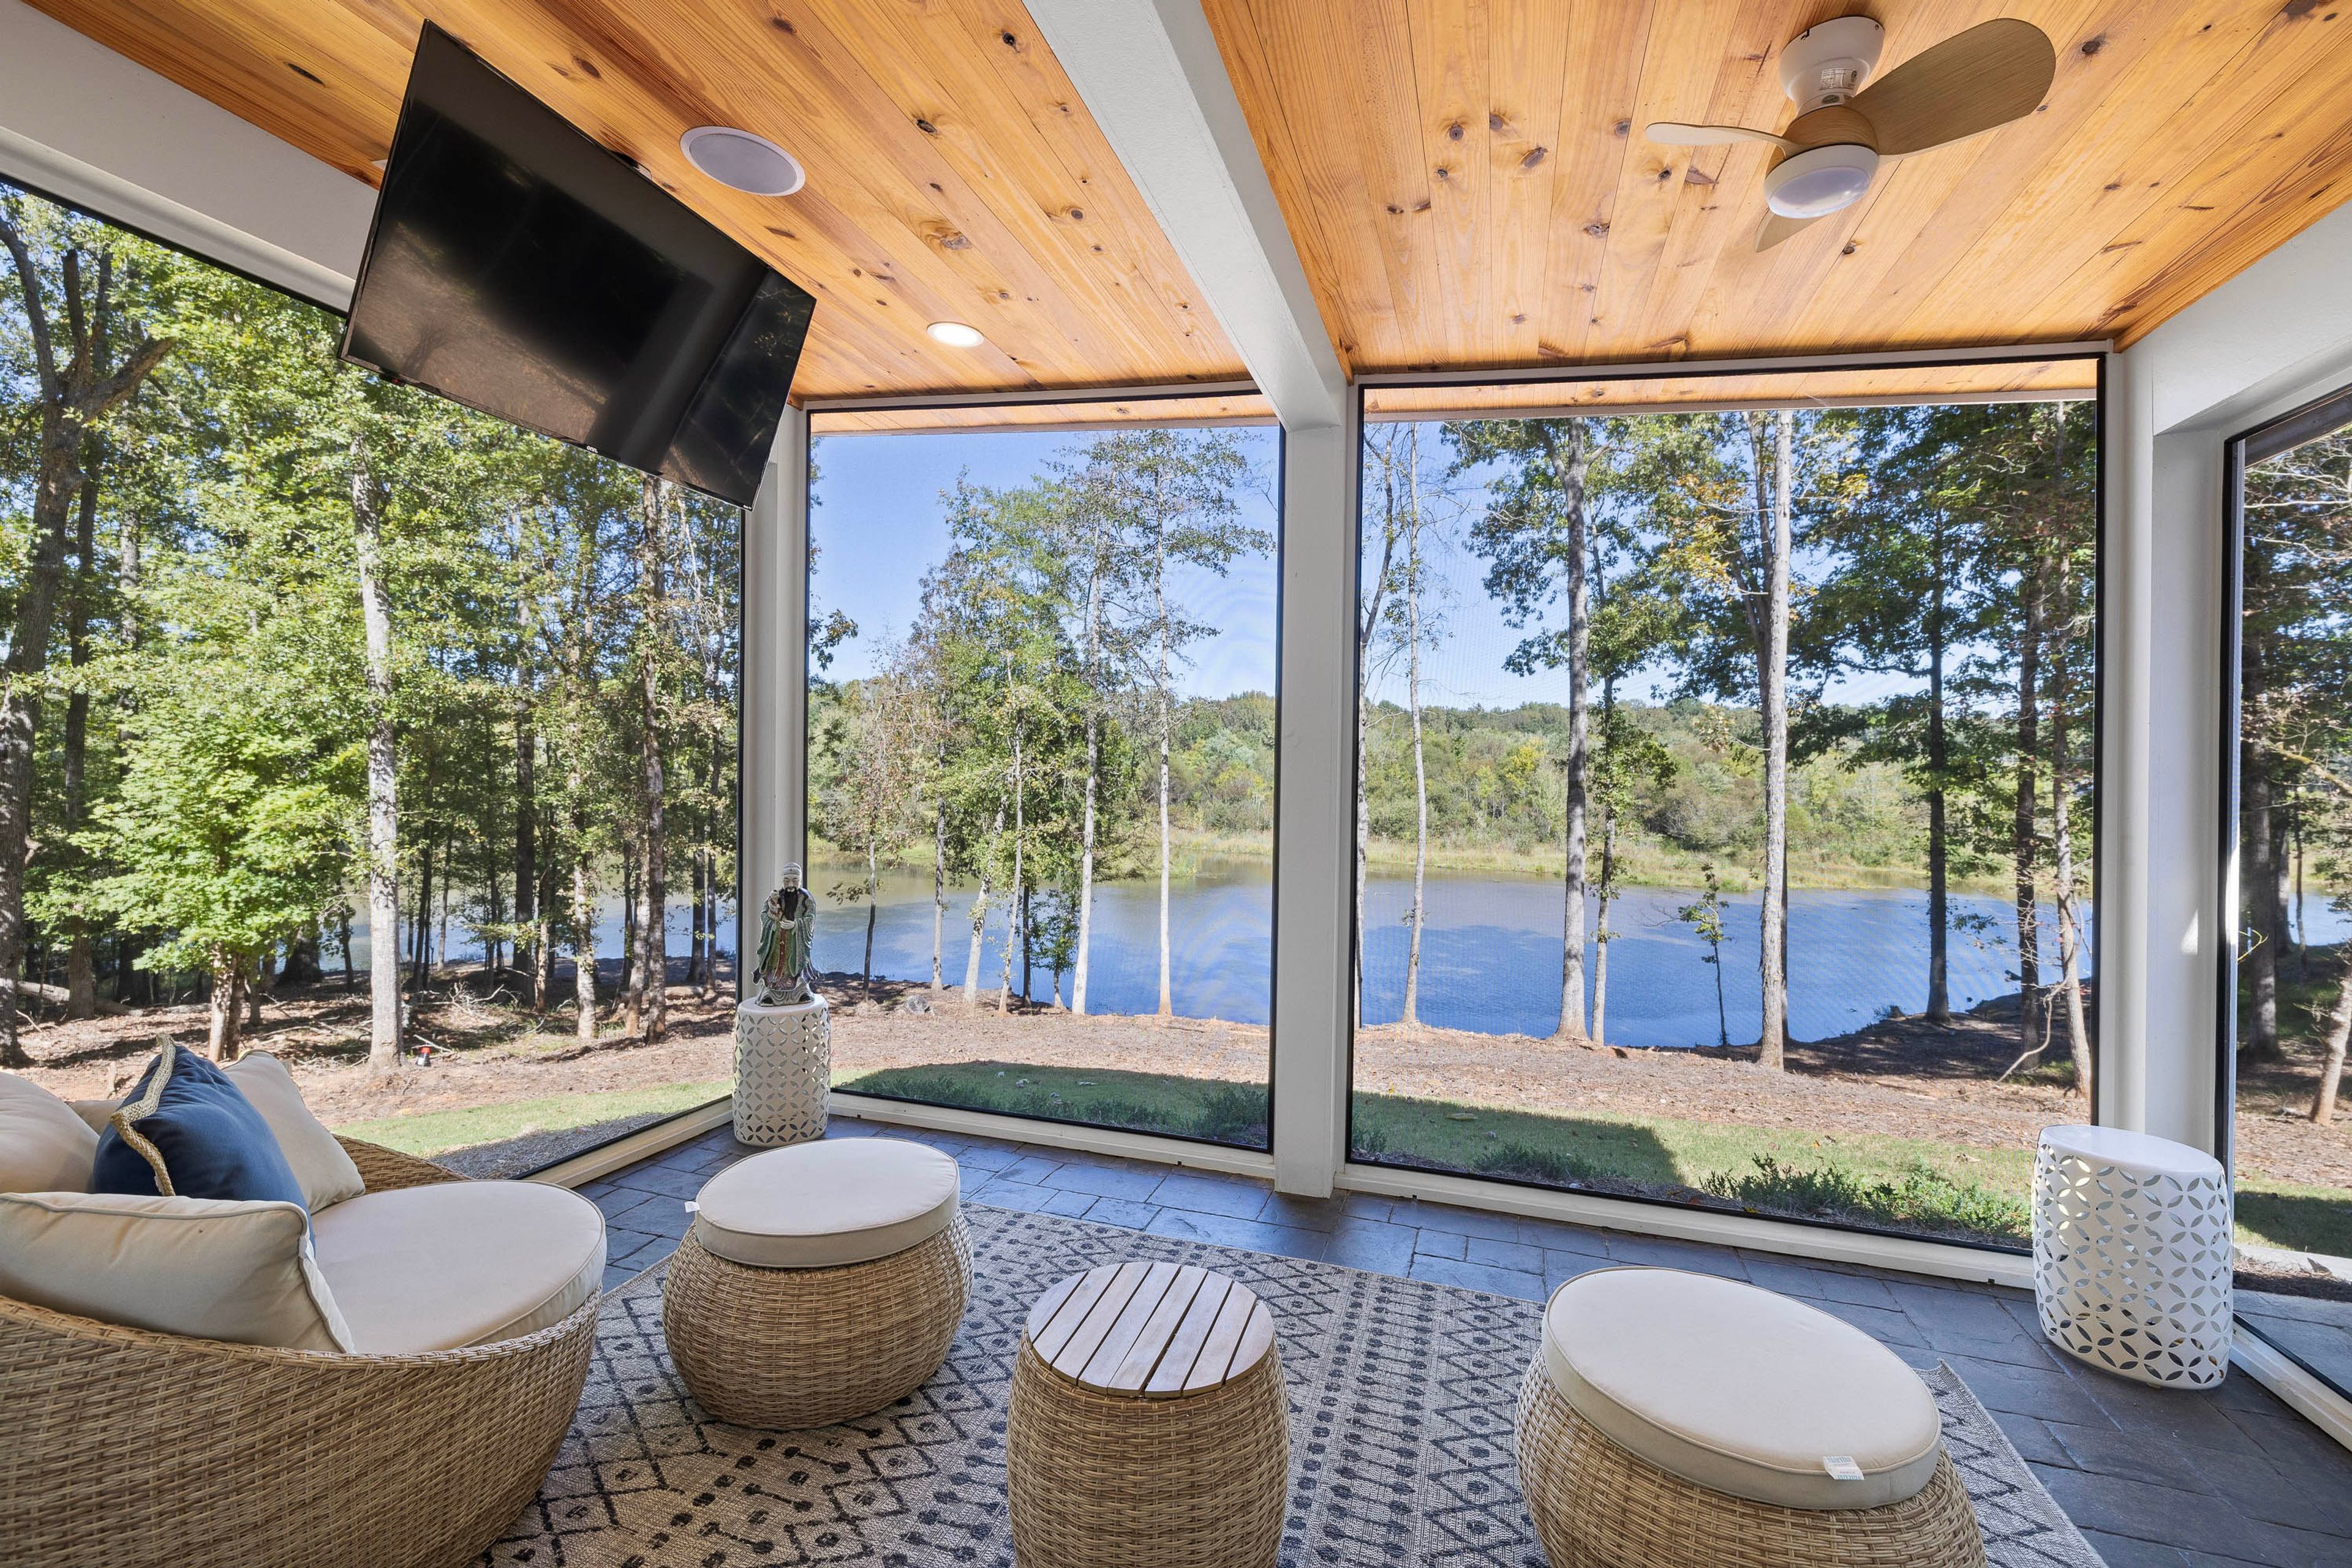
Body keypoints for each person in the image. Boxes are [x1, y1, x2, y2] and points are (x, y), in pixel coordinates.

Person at [755, 862, 818, 1005]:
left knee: (796, 969)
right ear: (782, 880)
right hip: (776, 943)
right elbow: (764, 915)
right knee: (775, 969)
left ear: (800, 880)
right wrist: (774, 924)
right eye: (787, 880)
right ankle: (769, 994)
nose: (790, 884)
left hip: (796, 943)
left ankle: (802, 992)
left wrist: (796, 924)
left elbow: (811, 919)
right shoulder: (775, 897)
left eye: (795, 880)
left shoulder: (806, 898)